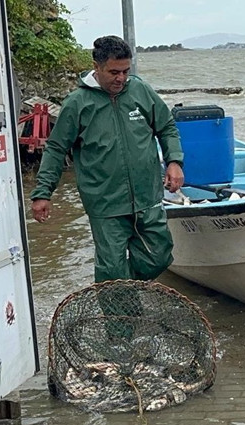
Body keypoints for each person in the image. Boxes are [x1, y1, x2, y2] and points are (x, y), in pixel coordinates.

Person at [30, 35, 184, 283]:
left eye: (125, 71)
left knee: (159, 256)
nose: (121, 78)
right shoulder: (77, 103)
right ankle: (120, 303)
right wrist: (43, 193)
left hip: (147, 195)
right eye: (114, 72)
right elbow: (56, 148)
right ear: (97, 67)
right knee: (112, 270)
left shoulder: (140, 91)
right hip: (105, 203)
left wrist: (174, 161)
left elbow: (166, 127)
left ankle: (123, 290)